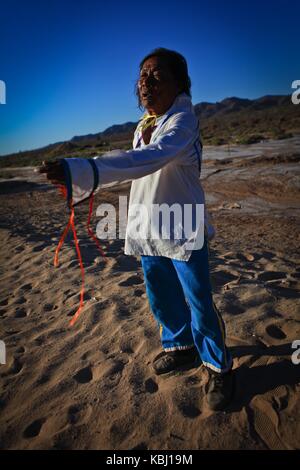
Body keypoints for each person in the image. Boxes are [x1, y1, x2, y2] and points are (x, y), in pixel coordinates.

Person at [40, 48, 234, 411]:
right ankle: (180, 347)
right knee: (160, 295)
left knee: (199, 302)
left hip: (183, 224)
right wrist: (80, 179)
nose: (146, 82)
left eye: (157, 75)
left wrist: (86, 170)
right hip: (149, 224)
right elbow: (133, 166)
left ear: (180, 84)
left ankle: (218, 366)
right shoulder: (143, 125)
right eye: (142, 75)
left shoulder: (183, 123)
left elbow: (150, 158)